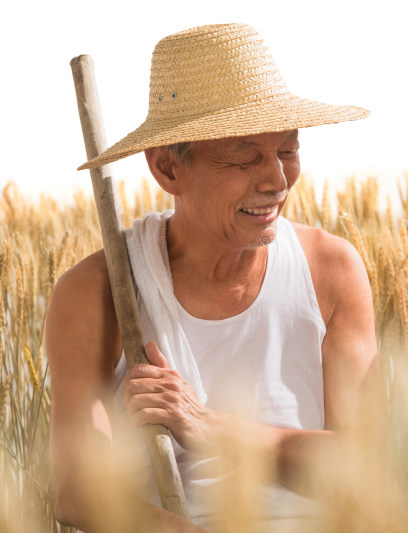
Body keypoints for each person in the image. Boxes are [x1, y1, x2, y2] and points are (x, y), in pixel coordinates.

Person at [47, 23, 377, 532]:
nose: (277, 181)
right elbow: (77, 491)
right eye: (247, 158)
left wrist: (208, 427)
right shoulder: (98, 292)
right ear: (167, 169)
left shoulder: (331, 270)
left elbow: (366, 466)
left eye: (288, 151)